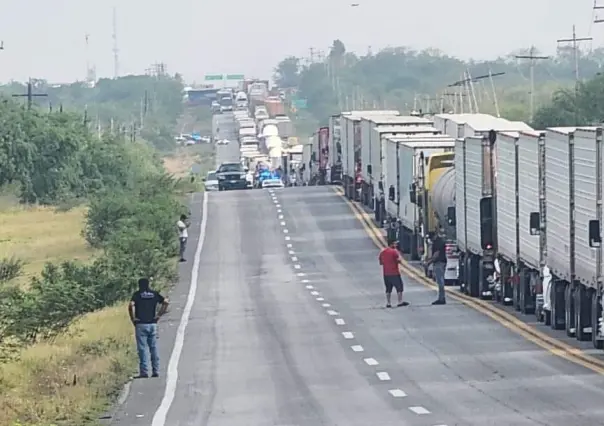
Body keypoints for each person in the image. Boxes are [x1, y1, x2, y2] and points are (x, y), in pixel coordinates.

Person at [128, 278, 169, 378]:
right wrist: (159, 315)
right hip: (152, 324)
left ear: (139, 285)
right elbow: (166, 302)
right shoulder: (154, 294)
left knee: (142, 349)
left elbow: (131, 305)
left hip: (141, 324)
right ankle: (156, 370)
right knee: (153, 348)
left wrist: (133, 318)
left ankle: (144, 372)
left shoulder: (137, 295)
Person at [378, 239, 409, 308]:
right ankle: (400, 301)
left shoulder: (382, 252)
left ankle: (388, 303)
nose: (396, 245)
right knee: (399, 287)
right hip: (394, 273)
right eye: (395, 244)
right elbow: (399, 261)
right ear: (391, 244)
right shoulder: (394, 251)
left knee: (388, 288)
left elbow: (381, 263)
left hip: (386, 273)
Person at [426, 231, 447, 305]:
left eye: (431, 238)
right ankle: (441, 298)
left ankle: (441, 299)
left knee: (440, 281)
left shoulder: (437, 242)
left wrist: (429, 262)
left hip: (439, 263)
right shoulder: (440, 241)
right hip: (442, 262)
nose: (431, 240)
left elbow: (436, 254)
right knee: (440, 280)